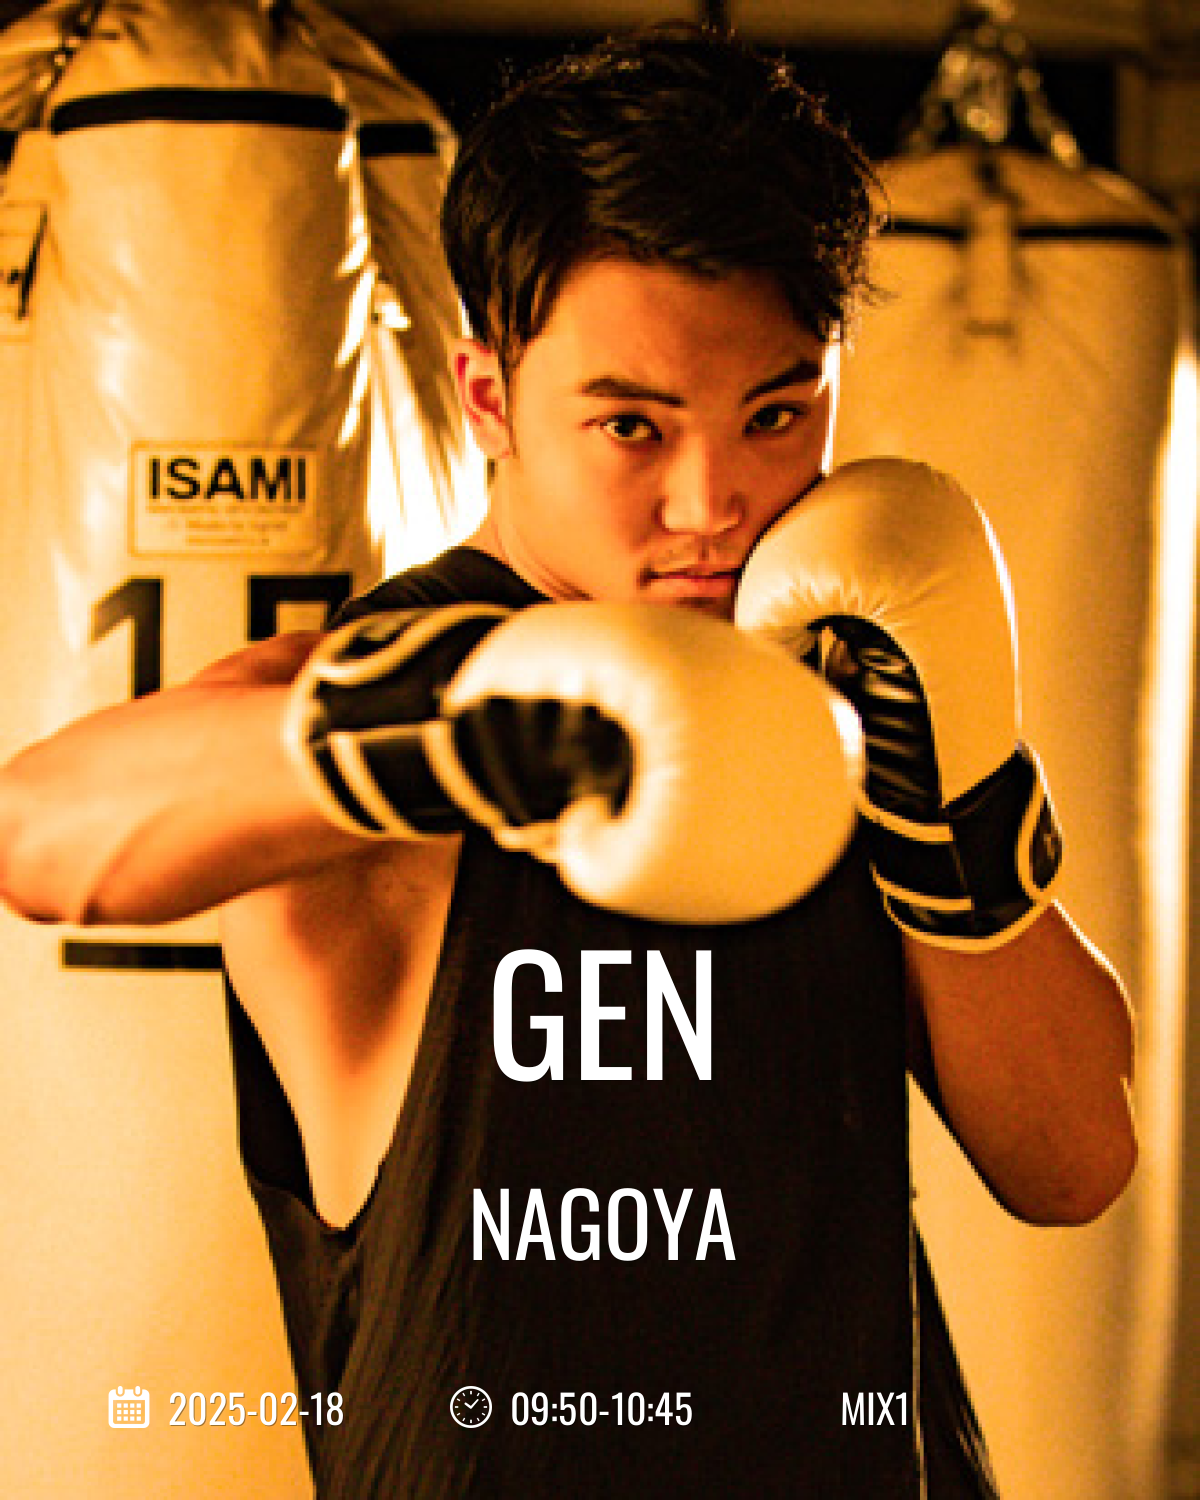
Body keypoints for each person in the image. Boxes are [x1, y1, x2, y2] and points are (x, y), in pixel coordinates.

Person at [0, 24, 1135, 1499]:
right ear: (488, 396)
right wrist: (453, 739)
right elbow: (39, 831)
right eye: (630, 426)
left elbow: (1071, 1163)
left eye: (776, 413)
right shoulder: (390, 687)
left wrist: (953, 812)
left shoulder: (850, 674)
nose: (712, 503)